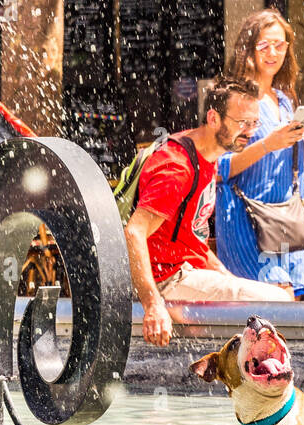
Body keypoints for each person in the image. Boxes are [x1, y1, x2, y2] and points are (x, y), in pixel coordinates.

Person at [125, 76, 293, 347]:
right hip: (166, 281)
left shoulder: (207, 158)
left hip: (185, 272)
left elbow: (194, 241)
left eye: (254, 123)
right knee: (279, 303)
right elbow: (133, 232)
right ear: (213, 118)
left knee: (276, 295)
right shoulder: (177, 167)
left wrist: (228, 280)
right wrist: (153, 304)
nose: (250, 131)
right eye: (242, 123)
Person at [215, 9, 304, 297]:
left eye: (280, 44)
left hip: (284, 220)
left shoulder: (286, 101)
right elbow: (220, 166)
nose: (273, 52)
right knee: (275, 298)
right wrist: (268, 144)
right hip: (246, 218)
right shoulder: (235, 99)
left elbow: (301, 176)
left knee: (287, 307)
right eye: (264, 45)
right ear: (248, 48)